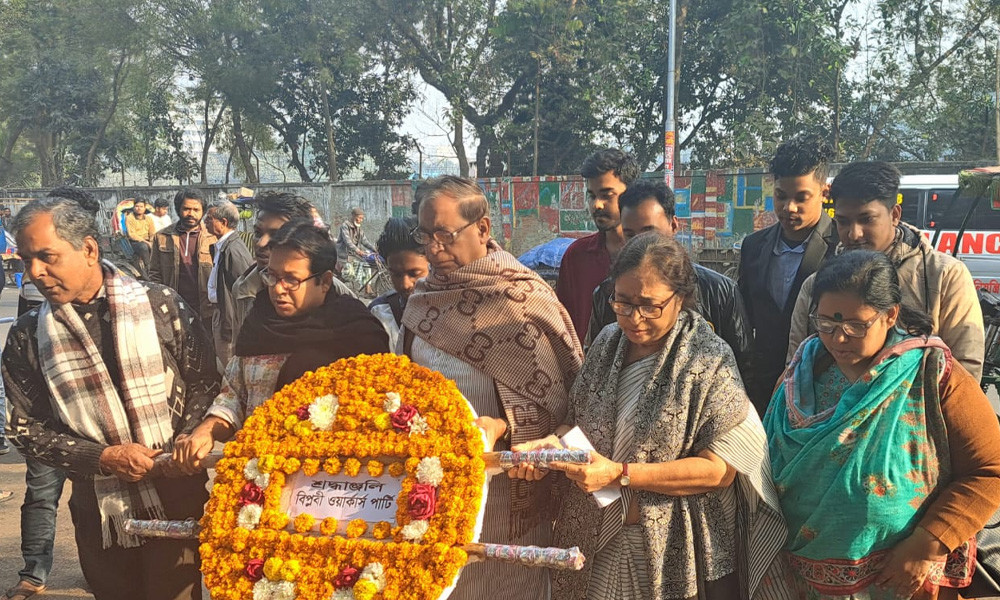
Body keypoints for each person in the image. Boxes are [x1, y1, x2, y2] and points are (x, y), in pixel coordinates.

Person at [513, 233, 786, 600]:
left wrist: (621, 474)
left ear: (681, 299)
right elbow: (576, 423)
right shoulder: (608, 342)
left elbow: (720, 470)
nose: (634, 318)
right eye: (622, 303)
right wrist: (554, 445)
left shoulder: (708, 359)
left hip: (666, 544)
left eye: (650, 306)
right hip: (594, 538)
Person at [1, 191, 221, 600]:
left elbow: (206, 380)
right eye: (26, 259)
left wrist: (185, 443)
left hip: (177, 498)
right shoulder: (29, 335)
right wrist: (102, 458)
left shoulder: (161, 306)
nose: (34, 272)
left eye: (47, 257)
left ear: (88, 249)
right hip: (99, 512)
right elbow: (23, 428)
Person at [763, 250, 1000, 599]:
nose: (838, 338)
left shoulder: (932, 375)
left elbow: (989, 470)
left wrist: (926, 544)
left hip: (898, 578)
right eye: (826, 322)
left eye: (855, 325)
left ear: (889, 316)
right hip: (796, 577)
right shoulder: (800, 373)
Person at [400, 175, 584, 600]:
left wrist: (505, 431)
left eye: (444, 235)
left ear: (482, 228)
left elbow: (571, 401)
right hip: (432, 487)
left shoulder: (523, 301)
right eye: (425, 236)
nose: (432, 248)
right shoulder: (421, 303)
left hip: (508, 493)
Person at [173, 221, 389, 471]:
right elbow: (233, 397)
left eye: (291, 280)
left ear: (326, 281)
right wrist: (206, 430)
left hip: (336, 483)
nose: (277, 289)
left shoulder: (358, 335)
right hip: (262, 476)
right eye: (271, 276)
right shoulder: (258, 324)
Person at [786, 161, 985, 381]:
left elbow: (966, 368)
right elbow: (796, 366)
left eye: (866, 219)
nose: (853, 234)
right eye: (843, 222)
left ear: (895, 214)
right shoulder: (816, 284)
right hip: (833, 414)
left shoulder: (944, 276)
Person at [585, 180, 753, 384]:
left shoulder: (720, 292)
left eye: (649, 233)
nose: (641, 244)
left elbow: (744, 370)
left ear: (674, 225)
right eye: (630, 235)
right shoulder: (607, 295)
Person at [738, 134, 838, 413]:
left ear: (824, 193)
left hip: (820, 389)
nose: (788, 208)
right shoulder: (753, 247)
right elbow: (742, 319)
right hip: (759, 388)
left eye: (801, 198)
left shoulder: (842, 248)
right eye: (780, 196)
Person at [230, 191, 354, 338]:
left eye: (276, 235)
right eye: (258, 232)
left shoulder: (339, 296)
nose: (261, 243)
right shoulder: (243, 289)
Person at [556, 148, 637, 340]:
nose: (597, 205)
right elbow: (563, 325)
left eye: (607, 195)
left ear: (631, 193)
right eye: (592, 195)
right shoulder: (576, 256)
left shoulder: (653, 256)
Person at [149, 188, 217, 333]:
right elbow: (154, 273)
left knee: (208, 350)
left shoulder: (213, 237)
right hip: (174, 306)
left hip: (205, 307)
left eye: (196, 209)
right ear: (178, 209)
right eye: (186, 208)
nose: (191, 213)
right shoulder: (162, 237)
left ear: (202, 212)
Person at [203, 201, 253, 369]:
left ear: (223, 222)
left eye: (209, 219)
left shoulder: (233, 250)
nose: (205, 222)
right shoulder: (223, 246)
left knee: (229, 367)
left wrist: (229, 325)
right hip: (222, 314)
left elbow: (243, 294)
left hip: (229, 319)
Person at [368, 216, 429, 350]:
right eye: (396, 274)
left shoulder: (452, 310)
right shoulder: (380, 313)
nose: (405, 284)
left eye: (414, 274)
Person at [336, 207, 378, 294]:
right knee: (350, 274)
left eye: (362, 218)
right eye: (359, 218)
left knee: (366, 266)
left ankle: (368, 289)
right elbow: (348, 242)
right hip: (344, 256)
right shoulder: (345, 226)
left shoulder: (359, 229)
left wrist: (375, 249)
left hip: (353, 256)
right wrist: (358, 251)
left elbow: (365, 241)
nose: (360, 220)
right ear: (353, 216)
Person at [125, 198, 156, 278]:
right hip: (135, 242)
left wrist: (152, 242)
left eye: (141, 206)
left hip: (148, 241)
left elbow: (152, 233)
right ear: (134, 207)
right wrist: (147, 243)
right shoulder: (130, 217)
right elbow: (132, 234)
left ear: (145, 208)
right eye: (137, 206)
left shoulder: (149, 218)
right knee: (144, 247)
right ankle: (148, 269)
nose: (139, 208)